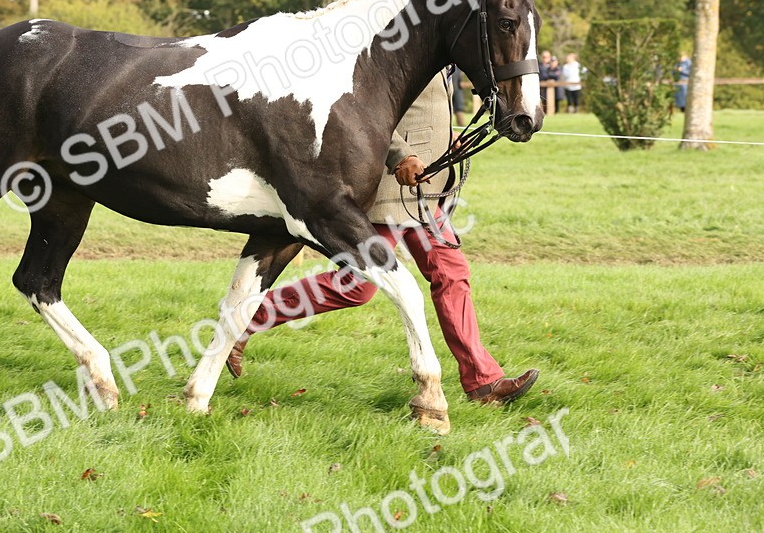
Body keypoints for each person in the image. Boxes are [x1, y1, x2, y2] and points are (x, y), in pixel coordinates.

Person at [225, 71, 539, 405]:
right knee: (358, 286)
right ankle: (247, 318)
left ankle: (484, 382)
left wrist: (447, 143)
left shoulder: (445, 41)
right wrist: (400, 156)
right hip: (393, 187)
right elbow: (362, 110)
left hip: (424, 189)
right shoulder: (396, 38)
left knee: (451, 274)